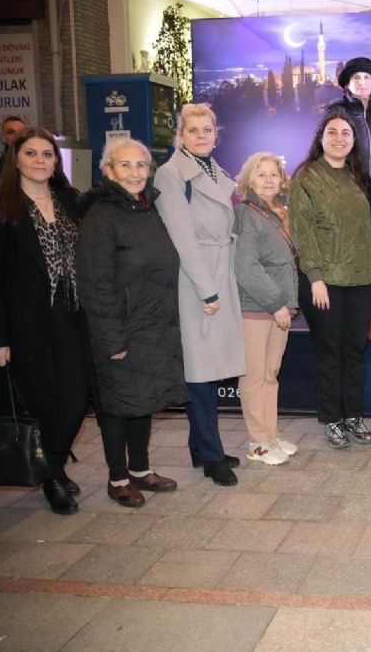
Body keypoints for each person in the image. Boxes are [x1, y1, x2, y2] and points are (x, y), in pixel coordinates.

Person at [76, 138, 186, 507]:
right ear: (107, 170)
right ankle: (118, 478)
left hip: (151, 326)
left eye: (141, 165)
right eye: (125, 165)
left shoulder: (146, 208)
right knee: (117, 405)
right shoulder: (101, 216)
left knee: (143, 399)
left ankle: (140, 470)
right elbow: (94, 284)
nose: (136, 172)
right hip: (120, 328)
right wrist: (112, 339)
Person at [0, 128, 90, 514]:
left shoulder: (70, 200)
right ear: (15, 160)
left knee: (76, 397)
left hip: (71, 314)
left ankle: (54, 463)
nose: (40, 161)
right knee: (44, 401)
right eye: (31, 153)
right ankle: (53, 478)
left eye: (47, 154)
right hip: (25, 323)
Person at [153, 103, 245, 486]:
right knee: (200, 372)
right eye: (193, 130)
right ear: (181, 135)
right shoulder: (171, 173)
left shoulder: (215, 170)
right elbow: (182, 237)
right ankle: (211, 454)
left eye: (207, 129)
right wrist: (207, 291)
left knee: (209, 368)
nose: (202, 135)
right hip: (195, 281)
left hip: (220, 271)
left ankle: (200, 446)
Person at [291, 113, 371, 449]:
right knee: (330, 353)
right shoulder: (306, 176)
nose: (339, 138)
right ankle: (331, 419)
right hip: (324, 282)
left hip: (362, 279)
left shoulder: (358, 177)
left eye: (346, 133)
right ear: (321, 138)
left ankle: (353, 416)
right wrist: (315, 278)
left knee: (354, 352)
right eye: (332, 132)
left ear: (354, 141)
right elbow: (302, 231)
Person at [233, 152, 300, 464]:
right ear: (249, 181)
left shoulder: (280, 212)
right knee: (255, 377)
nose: (269, 180)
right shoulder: (246, 213)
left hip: (279, 309)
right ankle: (257, 443)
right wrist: (275, 303)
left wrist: (284, 304)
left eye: (274, 174)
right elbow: (245, 267)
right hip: (257, 308)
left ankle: (270, 434)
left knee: (271, 373)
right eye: (261, 175)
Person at [324, 57, 371, 177]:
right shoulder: (336, 112)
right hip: (347, 185)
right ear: (347, 84)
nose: (361, 82)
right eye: (356, 77)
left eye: (366, 77)